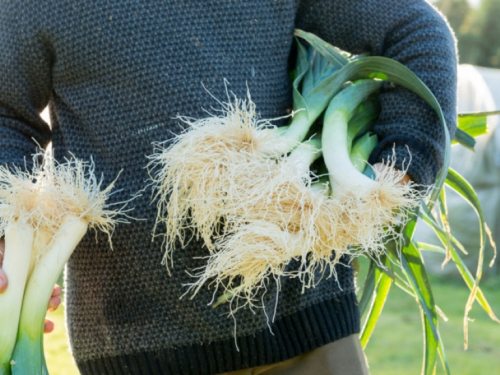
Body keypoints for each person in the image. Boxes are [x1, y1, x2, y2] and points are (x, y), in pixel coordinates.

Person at [0, 0, 457, 374]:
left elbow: (416, 31)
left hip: (308, 334)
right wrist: (10, 238)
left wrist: (400, 168)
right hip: (137, 352)